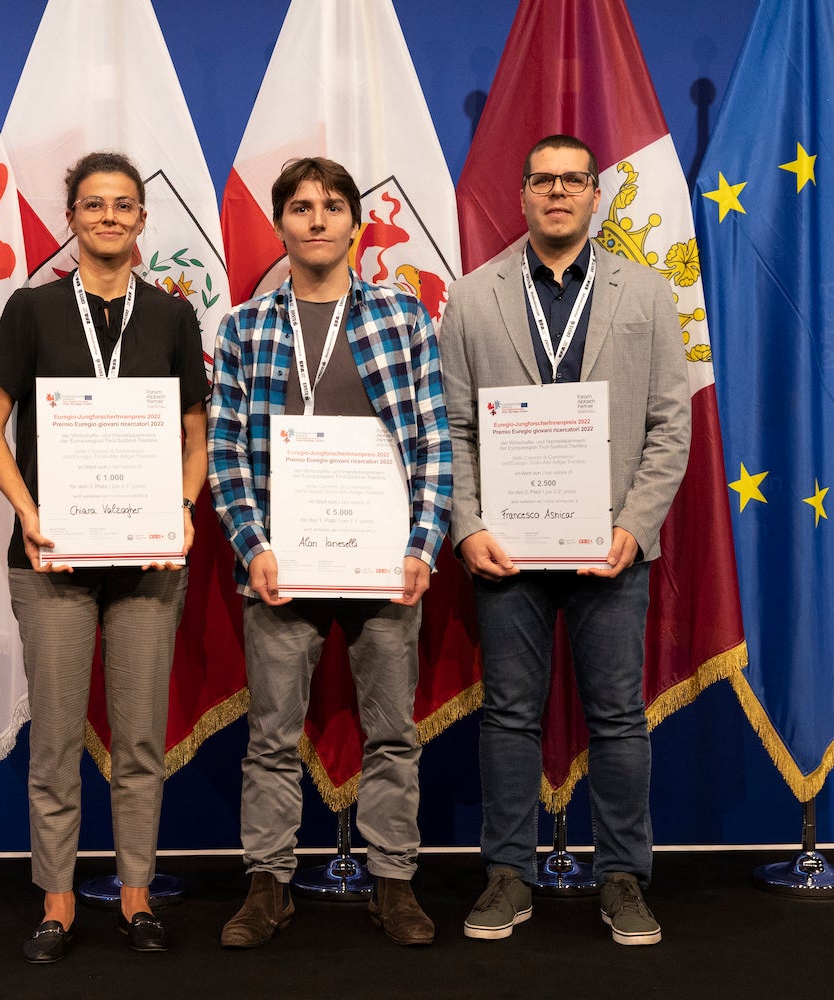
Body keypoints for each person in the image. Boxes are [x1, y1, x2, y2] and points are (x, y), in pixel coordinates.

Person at [438, 134, 690, 946]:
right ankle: (507, 875)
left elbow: (669, 426)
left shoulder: (648, 295)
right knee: (509, 716)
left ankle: (623, 878)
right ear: (521, 195)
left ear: (594, 195)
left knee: (618, 716)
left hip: (608, 547)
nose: (557, 193)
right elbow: (453, 430)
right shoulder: (472, 298)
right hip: (506, 550)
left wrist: (633, 527)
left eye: (572, 180)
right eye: (542, 180)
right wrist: (467, 526)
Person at [208, 157, 451, 948]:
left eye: (333, 206)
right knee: (272, 738)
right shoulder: (245, 326)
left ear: (355, 224)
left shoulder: (401, 314)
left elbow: (432, 437)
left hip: (384, 565)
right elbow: (226, 453)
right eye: (302, 207)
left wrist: (423, 544)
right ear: (280, 223)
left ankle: (393, 885)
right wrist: (251, 546)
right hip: (283, 564)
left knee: (392, 733)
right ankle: (268, 886)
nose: (317, 220)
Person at [0, 151, 209, 960]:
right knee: (56, 740)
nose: (108, 217)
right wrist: (32, 512)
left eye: (122, 206)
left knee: (141, 737)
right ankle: (57, 898)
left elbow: (195, 434)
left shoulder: (174, 317)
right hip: (52, 558)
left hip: (147, 558)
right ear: (71, 219)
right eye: (92, 205)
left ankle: (136, 894)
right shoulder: (31, 310)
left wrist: (183, 508)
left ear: (143, 221)